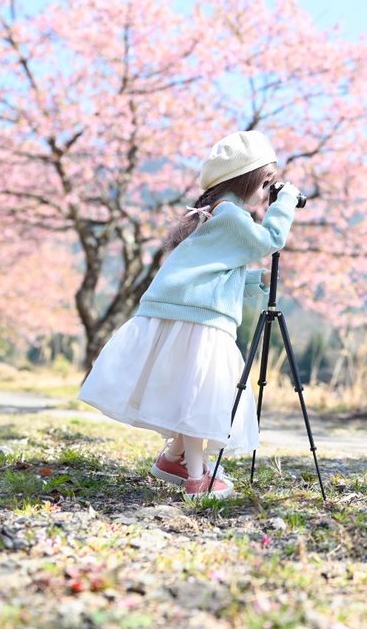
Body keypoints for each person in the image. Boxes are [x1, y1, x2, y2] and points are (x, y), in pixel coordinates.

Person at [78, 130, 302, 501]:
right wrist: (287, 203)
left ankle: (174, 458)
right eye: (266, 186)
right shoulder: (230, 214)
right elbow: (269, 241)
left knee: (191, 390)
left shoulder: (217, 213)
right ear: (247, 180)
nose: (266, 196)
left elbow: (212, 272)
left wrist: (253, 281)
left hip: (186, 311)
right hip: (197, 318)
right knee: (200, 394)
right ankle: (198, 478)